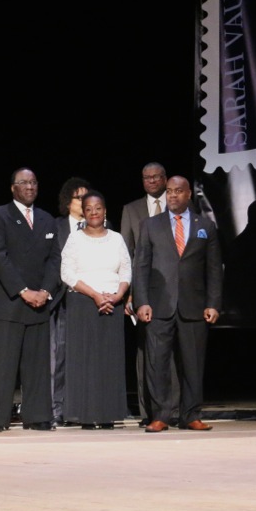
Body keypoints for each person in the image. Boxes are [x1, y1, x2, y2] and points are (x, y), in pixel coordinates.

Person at [133, 175, 223, 433]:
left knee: (193, 364)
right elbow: (141, 266)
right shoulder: (150, 225)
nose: (172, 195)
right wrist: (142, 302)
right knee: (157, 363)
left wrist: (213, 303)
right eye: (169, 191)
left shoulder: (205, 225)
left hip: (194, 305)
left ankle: (191, 414)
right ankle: (160, 415)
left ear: (188, 194)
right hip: (159, 305)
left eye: (178, 191)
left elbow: (214, 269)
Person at [0, 168, 60, 433]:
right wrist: (23, 290)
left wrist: (45, 291)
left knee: (37, 365)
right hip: (10, 301)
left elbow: (55, 259)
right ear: (12, 188)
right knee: (4, 364)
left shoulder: (47, 219)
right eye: (24, 182)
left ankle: (38, 416)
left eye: (33, 182)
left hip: (40, 301)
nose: (30, 187)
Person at [60, 190, 131, 429]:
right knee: (85, 361)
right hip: (83, 303)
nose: (93, 213)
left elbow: (126, 270)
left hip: (112, 303)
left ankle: (108, 414)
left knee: (109, 361)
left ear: (105, 211)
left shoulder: (117, 239)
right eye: (88, 209)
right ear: (83, 212)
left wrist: (118, 295)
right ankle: (86, 416)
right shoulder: (75, 239)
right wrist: (95, 295)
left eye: (98, 208)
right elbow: (67, 273)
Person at [119, 162, 178, 426]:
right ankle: (150, 412)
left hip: (175, 290)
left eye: (156, 177)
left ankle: (175, 410)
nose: (152, 181)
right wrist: (131, 295)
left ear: (165, 179)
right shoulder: (131, 210)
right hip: (144, 291)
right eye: (146, 177)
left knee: (176, 353)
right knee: (147, 353)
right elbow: (127, 255)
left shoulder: (179, 205)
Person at [49, 176, 91, 426]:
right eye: (78, 197)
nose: (84, 201)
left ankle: (85, 407)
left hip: (91, 300)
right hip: (62, 300)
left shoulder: (101, 225)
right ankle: (57, 408)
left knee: (86, 357)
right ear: (68, 202)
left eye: (87, 196)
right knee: (60, 357)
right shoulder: (56, 226)